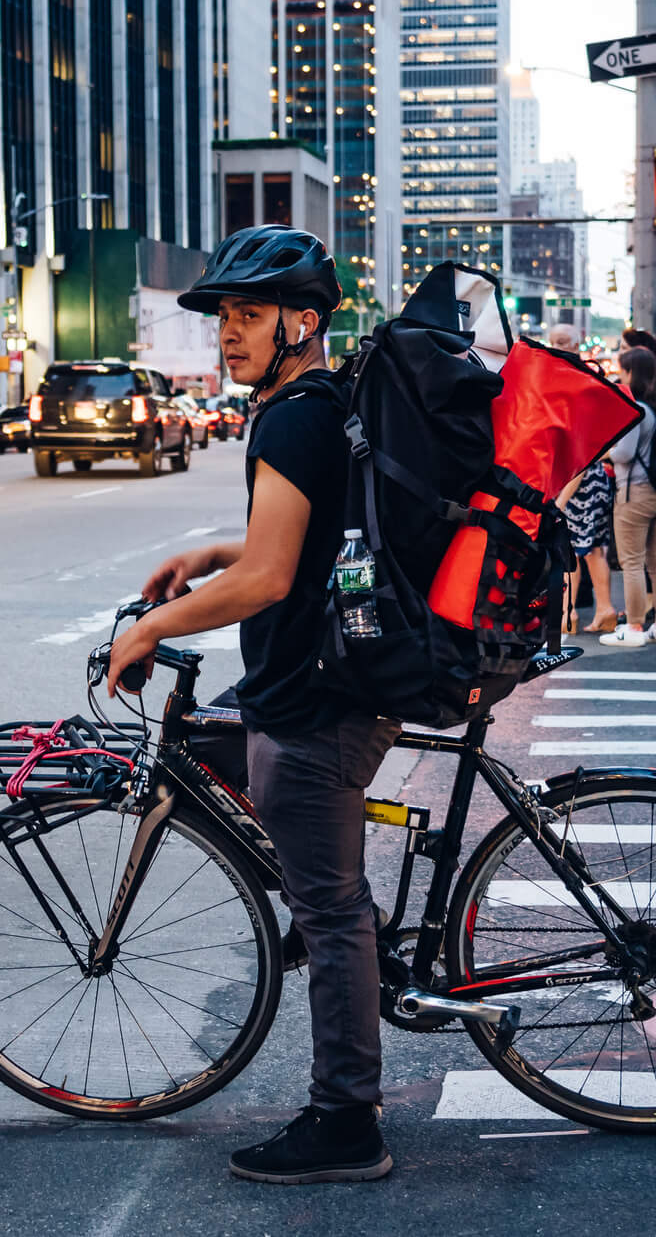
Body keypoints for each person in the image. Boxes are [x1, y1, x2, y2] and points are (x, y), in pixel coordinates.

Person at [105, 224, 399, 1185]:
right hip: (323, 678)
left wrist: (151, 628)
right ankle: (336, 936)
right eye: (223, 316)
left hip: (318, 698)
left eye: (249, 315)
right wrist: (210, 557)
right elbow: (301, 546)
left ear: (301, 322)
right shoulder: (318, 401)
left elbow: (273, 578)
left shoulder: (292, 416)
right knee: (251, 783)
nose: (228, 335)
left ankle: (346, 1124)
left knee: (330, 909)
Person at [546, 325, 620, 635]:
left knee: (575, 550)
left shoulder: (573, 378)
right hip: (587, 477)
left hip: (579, 477)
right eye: (555, 340)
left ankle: (570, 614)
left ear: (578, 342)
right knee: (590, 550)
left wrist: (560, 499)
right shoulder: (586, 376)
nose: (558, 344)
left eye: (563, 340)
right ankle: (597, 609)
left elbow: (579, 442)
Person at [601, 346, 656, 647]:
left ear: (631, 373)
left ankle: (633, 628)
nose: (620, 375)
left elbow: (624, 453)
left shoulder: (636, 410)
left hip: (634, 494)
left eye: (622, 370)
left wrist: (605, 451)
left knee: (632, 562)